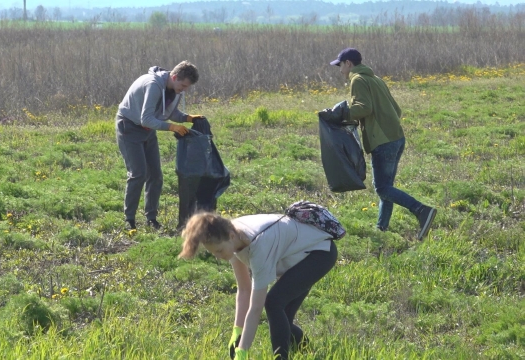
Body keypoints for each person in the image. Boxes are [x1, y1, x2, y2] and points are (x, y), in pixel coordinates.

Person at [178, 212, 338, 360]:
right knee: (283, 321)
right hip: (296, 258)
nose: (219, 257)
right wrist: (237, 332)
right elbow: (244, 290)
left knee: (273, 303)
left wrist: (243, 351)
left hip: (319, 254)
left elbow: (256, 308)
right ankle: (311, 354)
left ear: (231, 236)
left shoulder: (257, 245)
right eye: (214, 253)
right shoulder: (232, 239)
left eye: (219, 251)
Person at [327, 48, 437, 240]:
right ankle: (381, 228)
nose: (340, 70)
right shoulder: (376, 79)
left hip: (383, 142)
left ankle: (422, 210)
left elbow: (364, 108)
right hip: (396, 138)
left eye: (340, 65)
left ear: (349, 63)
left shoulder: (357, 80)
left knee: (382, 188)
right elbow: (396, 109)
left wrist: (343, 113)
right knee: (387, 187)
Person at [115, 61, 204, 230]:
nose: (184, 90)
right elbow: (146, 118)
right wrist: (172, 127)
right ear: (174, 76)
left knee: (155, 175)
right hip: (129, 127)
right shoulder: (153, 85)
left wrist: (188, 118)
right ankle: (130, 220)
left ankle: (151, 219)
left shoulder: (175, 89)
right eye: (183, 85)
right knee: (138, 173)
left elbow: (170, 112)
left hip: (148, 130)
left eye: (187, 87)